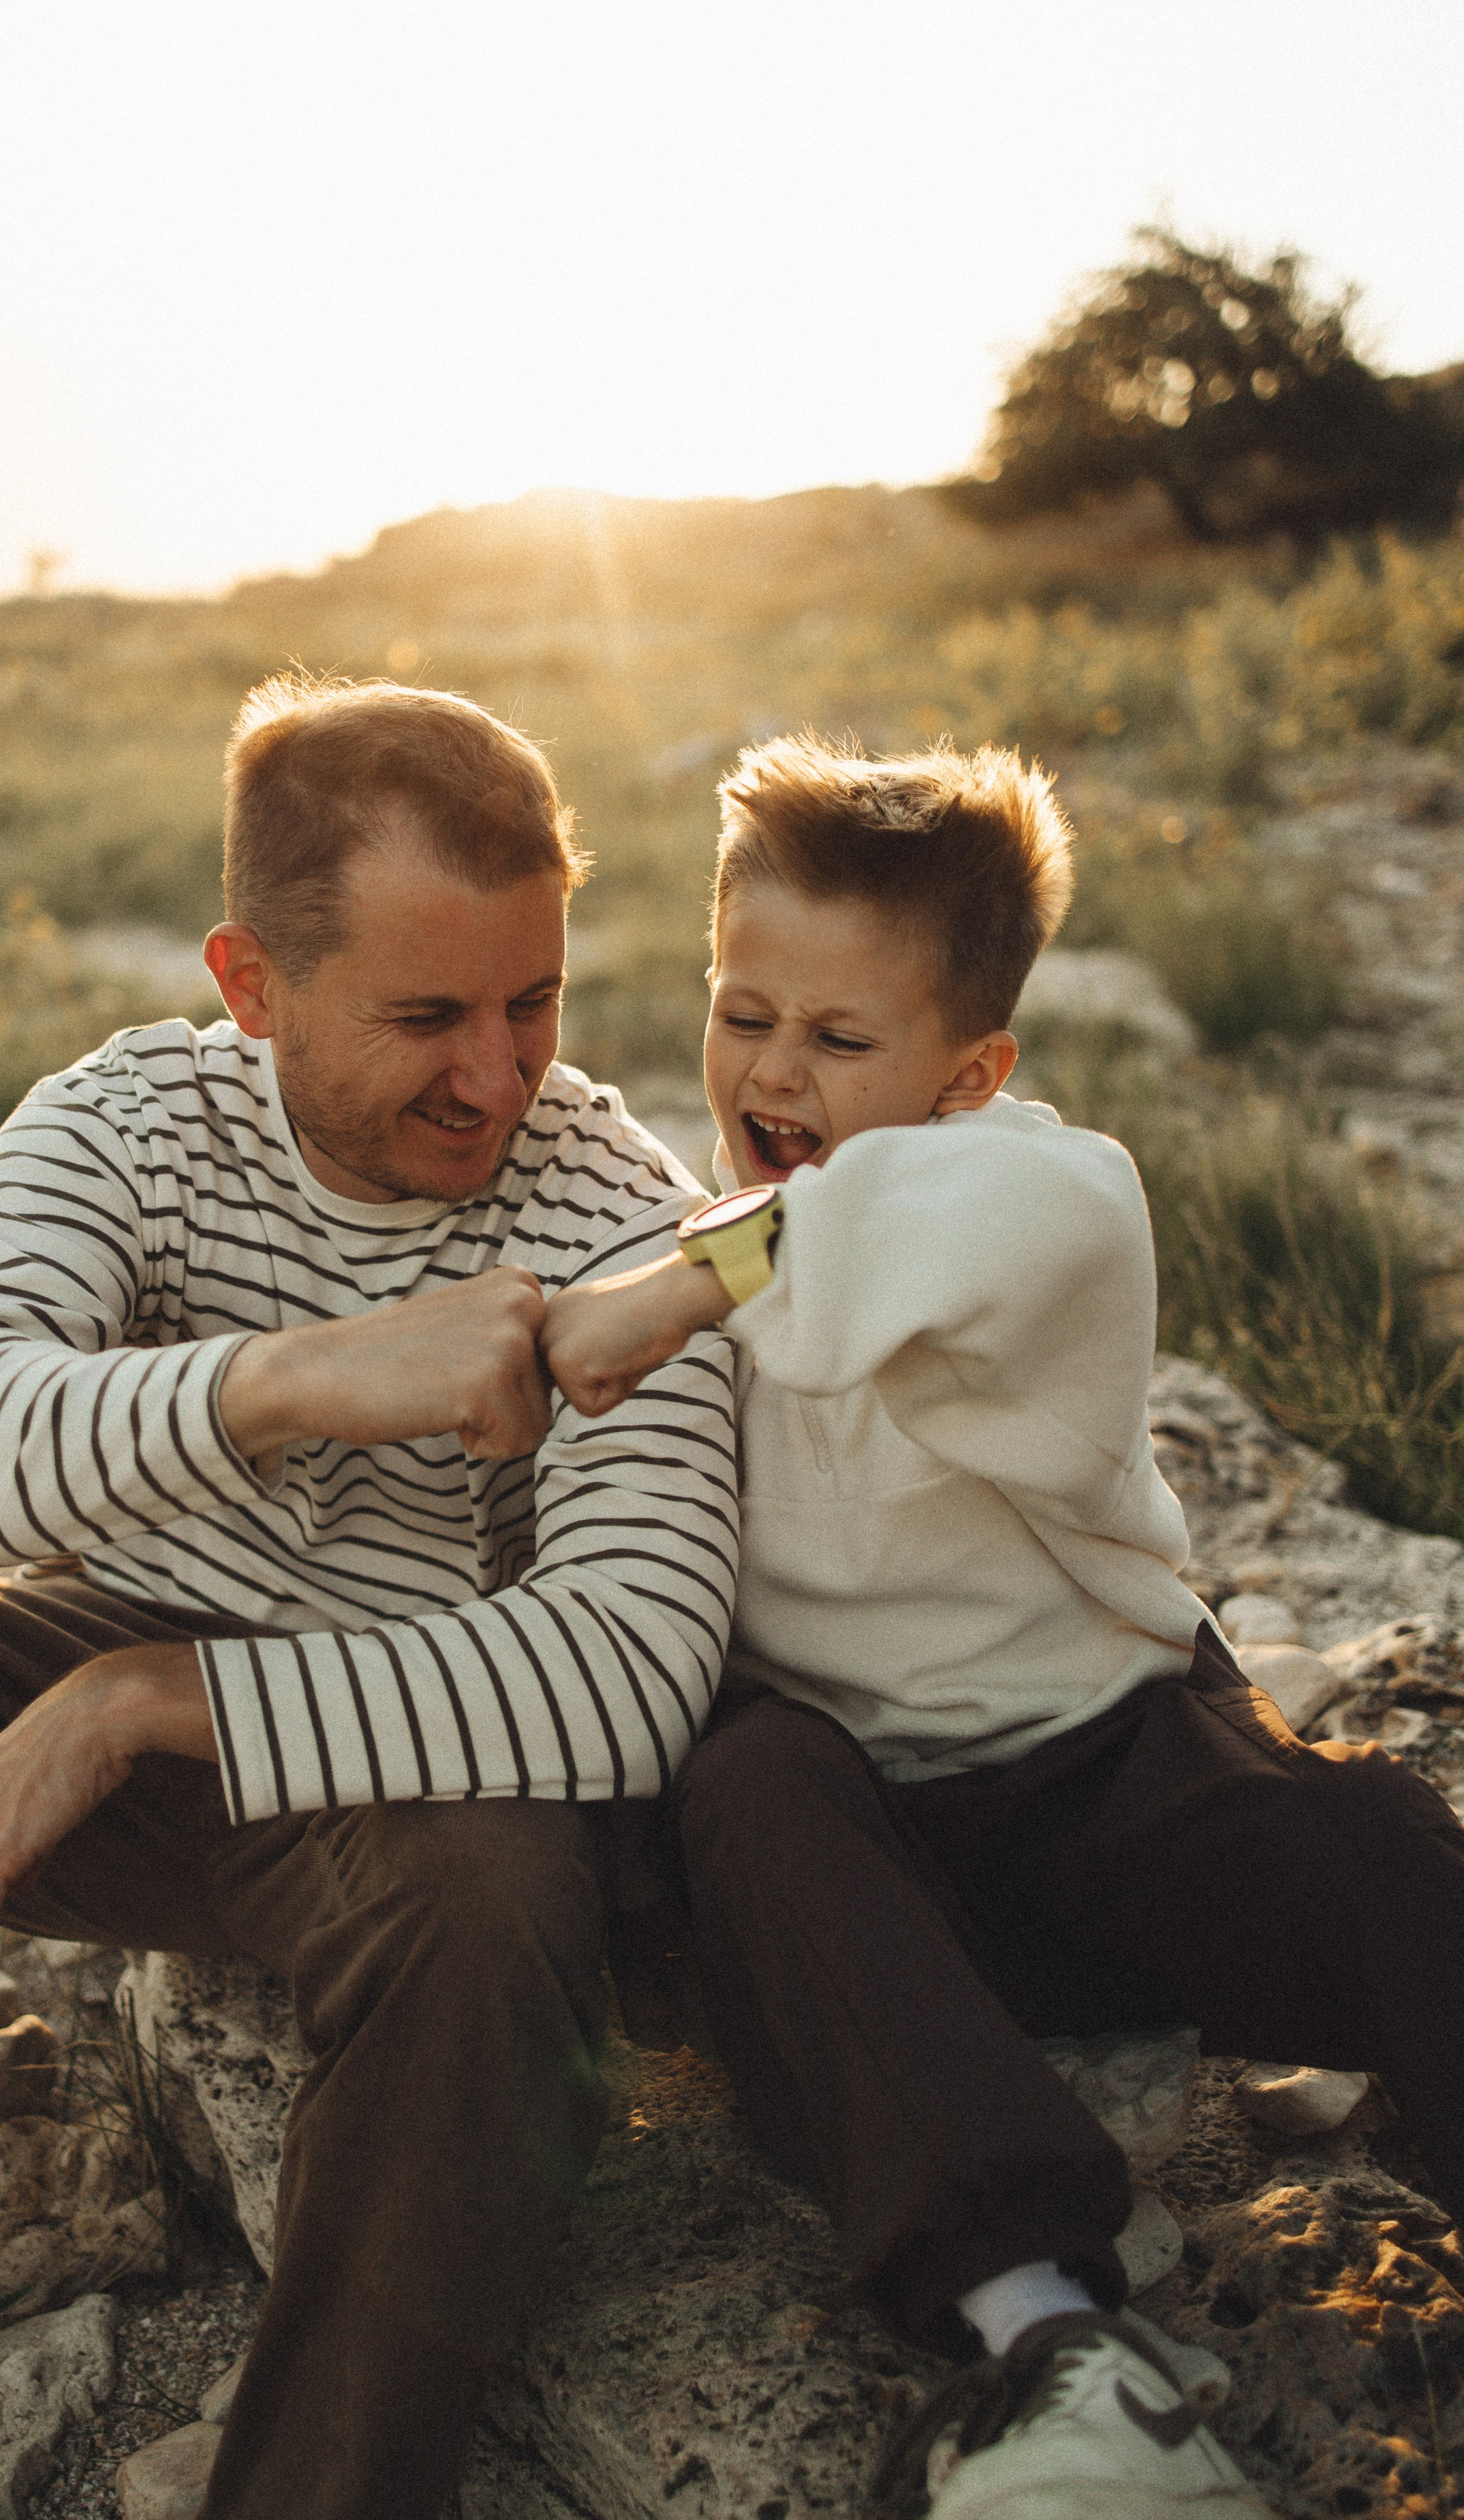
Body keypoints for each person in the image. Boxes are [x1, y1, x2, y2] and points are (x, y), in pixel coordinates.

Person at [0, 676, 738, 2520]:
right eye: (425, 1018)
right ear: (252, 984)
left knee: (504, 1901)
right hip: (78, 1683)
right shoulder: (128, 1118)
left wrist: (138, 1701)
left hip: (394, 1764)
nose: (496, 1077)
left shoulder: (617, 1216)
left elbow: (628, 1673)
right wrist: (290, 1380)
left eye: (534, 1000)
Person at [540, 732, 1464, 2519]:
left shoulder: (1045, 1197)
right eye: (744, 1012)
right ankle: (1052, 2342)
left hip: (1110, 1790)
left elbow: (898, 1226)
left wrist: (686, 1285)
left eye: (841, 1038)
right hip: (871, 1889)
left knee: (1371, 1834)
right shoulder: (683, 1244)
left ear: (975, 1074)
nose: (773, 1069)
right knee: (746, 1786)